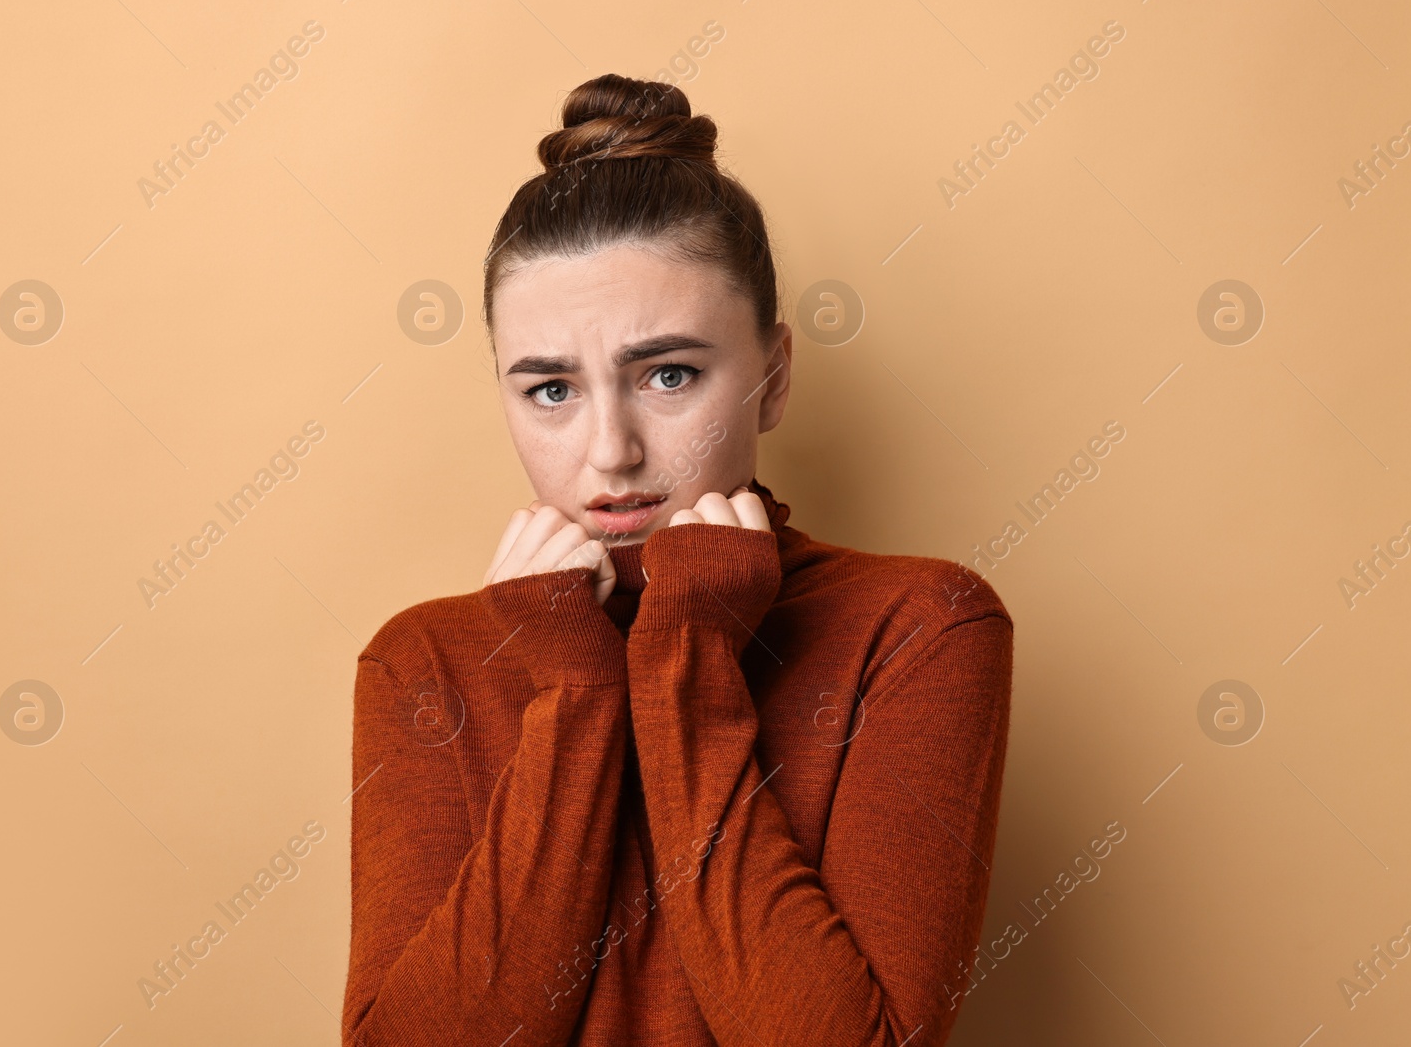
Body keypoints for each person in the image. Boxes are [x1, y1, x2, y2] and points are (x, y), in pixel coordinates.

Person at [342, 73, 1014, 1046]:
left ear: (773, 375)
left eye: (668, 374)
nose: (610, 448)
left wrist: (686, 657)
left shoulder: (917, 625)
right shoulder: (425, 659)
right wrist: (570, 689)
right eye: (548, 389)